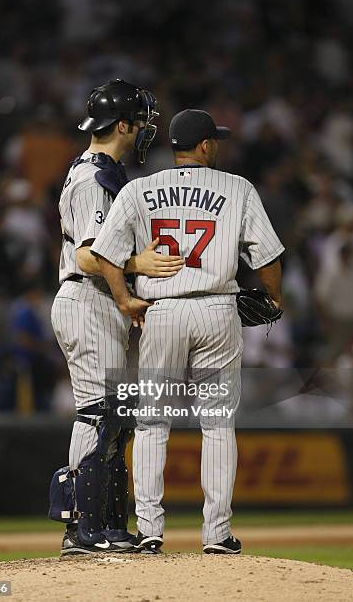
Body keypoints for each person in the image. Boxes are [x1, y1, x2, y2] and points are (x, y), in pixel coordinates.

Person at [91, 108, 284, 554]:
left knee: (152, 422)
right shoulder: (237, 188)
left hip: (162, 312)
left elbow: (105, 253)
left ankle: (150, 530)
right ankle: (216, 534)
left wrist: (123, 298)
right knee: (217, 425)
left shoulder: (140, 189)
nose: (216, 144)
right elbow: (267, 257)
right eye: (214, 139)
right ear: (204, 146)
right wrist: (273, 299)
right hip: (217, 310)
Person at [50, 80, 185, 555]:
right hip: (86, 298)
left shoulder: (102, 171)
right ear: (122, 125)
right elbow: (89, 256)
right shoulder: (92, 178)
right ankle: (80, 529)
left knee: (114, 416)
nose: (147, 128)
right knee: (97, 414)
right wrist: (135, 266)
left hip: (99, 303)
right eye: (142, 121)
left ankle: (106, 525)